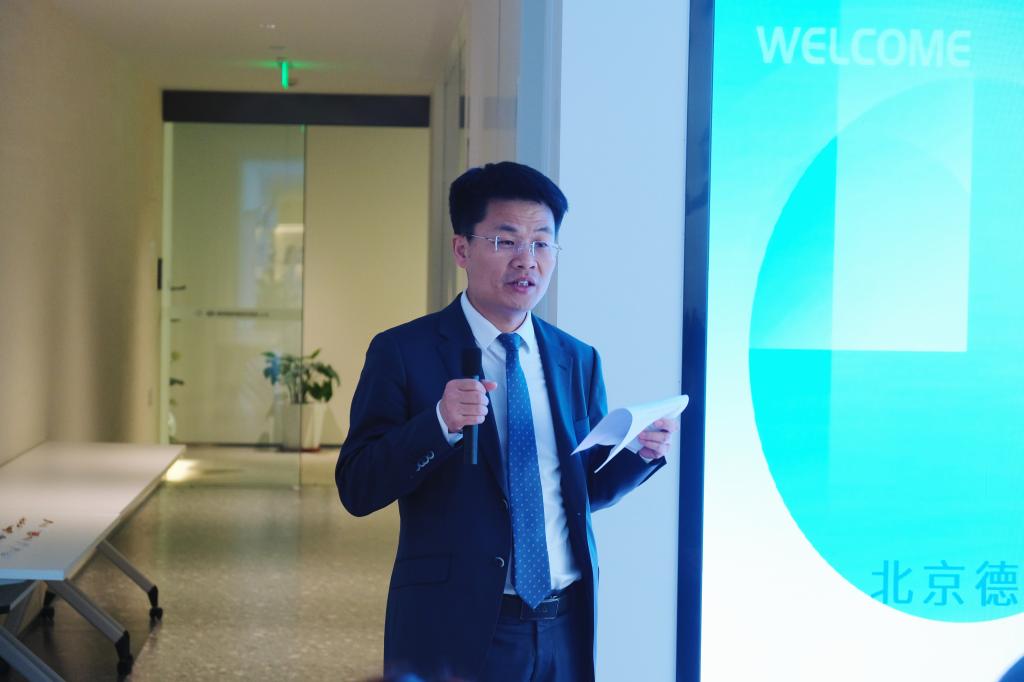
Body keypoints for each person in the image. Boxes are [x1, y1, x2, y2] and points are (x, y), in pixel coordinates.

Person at [336, 161, 676, 682]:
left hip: (564, 624)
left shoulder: (576, 358)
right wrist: (439, 423)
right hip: (458, 626)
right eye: (506, 241)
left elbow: (576, 491)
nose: (527, 260)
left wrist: (638, 455)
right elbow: (358, 487)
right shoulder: (404, 352)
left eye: (542, 243)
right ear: (462, 249)